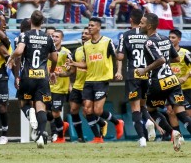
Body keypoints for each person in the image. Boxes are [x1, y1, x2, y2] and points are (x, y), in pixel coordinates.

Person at [137, 13, 191, 151]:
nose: (139, 25)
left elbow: (160, 59)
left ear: (149, 26)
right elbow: (176, 59)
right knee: (181, 113)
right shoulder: (166, 39)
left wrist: (145, 70)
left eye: (142, 23)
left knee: (149, 110)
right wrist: (165, 61)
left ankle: (172, 132)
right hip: (172, 80)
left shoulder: (149, 42)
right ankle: (177, 132)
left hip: (158, 81)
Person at [67, 17, 124, 142]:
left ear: (98, 27)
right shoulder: (86, 45)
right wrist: (73, 64)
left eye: (92, 25)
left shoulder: (107, 41)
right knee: (87, 110)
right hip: (89, 81)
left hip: (102, 80)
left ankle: (117, 122)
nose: (89, 27)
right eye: (88, 25)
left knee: (97, 111)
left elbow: (118, 57)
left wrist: (119, 71)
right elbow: (86, 64)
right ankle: (98, 138)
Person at [7, 10, 58, 148]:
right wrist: (52, 71)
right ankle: (41, 135)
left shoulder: (25, 35)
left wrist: (11, 58)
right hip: (42, 76)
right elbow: (54, 58)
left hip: (28, 75)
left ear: (31, 20)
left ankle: (30, 113)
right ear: (42, 22)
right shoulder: (48, 37)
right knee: (41, 106)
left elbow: (19, 51)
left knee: (24, 104)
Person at [116, 9, 157, 147]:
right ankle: (149, 122)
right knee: (143, 104)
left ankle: (142, 139)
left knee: (135, 108)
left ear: (131, 20)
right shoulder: (149, 35)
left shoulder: (126, 35)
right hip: (147, 73)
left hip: (133, 74)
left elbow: (120, 57)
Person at [59, 27, 108, 142]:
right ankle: (81, 137)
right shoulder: (77, 51)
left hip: (90, 85)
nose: (83, 35)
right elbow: (72, 71)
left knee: (87, 112)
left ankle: (98, 134)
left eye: (86, 33)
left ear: (92, 36)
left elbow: (90, 65)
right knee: (73, 110)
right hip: (77, 85)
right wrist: (61, 74)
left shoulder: (96, 50)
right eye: (82, 33)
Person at [47, 30, 71, 143]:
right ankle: (62, 125)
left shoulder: (66, 52)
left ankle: (60, 137)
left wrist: (59, 73)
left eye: (57, 36)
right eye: (53, 36)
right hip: (46, 87)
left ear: (62, 39)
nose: (54, 38)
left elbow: (71, 71)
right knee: (46, 112)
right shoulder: (46, 50)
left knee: (55, 112)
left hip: (59, 88)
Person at [167, 30, 191, 134]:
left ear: (179, 39)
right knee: (170, 112)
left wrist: (185, 76)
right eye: (169, 37)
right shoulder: (166, 53)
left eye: (173, 37)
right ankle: (178, 136)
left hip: (186, 88)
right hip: (171, 88)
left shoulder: (185, 53)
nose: (171, 40)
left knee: (187, 114)